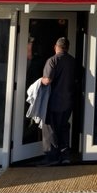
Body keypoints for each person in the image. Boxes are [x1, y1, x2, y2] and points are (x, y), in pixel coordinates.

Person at [39, 37, 77, 166]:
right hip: (68, 100)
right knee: (64, 127)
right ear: (67, 47)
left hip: (53, 101)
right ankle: (65, 156)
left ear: (56, 46)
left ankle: (52, 157)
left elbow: (48, 80)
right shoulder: (73, 61)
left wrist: (40, 81)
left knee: (50, 128)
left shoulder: (52, 60)